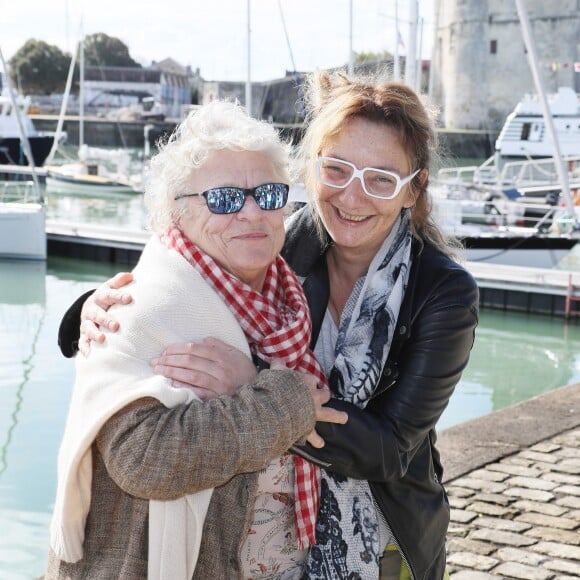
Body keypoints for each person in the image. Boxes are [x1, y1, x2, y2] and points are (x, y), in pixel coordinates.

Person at [58, 73, 479, 579]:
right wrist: (90, 307)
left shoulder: (444, 293)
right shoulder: (287, 237)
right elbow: (193, 274)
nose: (352, 197)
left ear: (414, 191)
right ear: (313, 168)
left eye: (382, 179)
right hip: (284, 533)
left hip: (385, 528)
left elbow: (389, 450)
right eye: (338, 169)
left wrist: (257, 387)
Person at [46, 99, 348, 580]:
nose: (251, 213)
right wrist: (284, 401)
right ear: (175, 214)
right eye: (225, 199)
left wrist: (256, 382)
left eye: (268, 194)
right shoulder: (135, 310)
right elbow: (146, 459)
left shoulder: (282, 298)